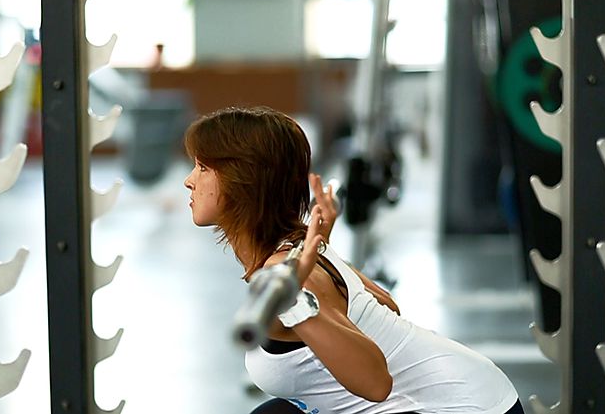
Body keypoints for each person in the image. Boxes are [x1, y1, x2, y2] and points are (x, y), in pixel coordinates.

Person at [183, 106, 525, 414]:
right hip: (487, 392)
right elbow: (386, 306)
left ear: (244, 181)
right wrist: (324, 252)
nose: (189, 180)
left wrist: (298, 305)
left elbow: (376, 384)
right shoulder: (305, 247)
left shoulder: (291, 269)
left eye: (201, 168)